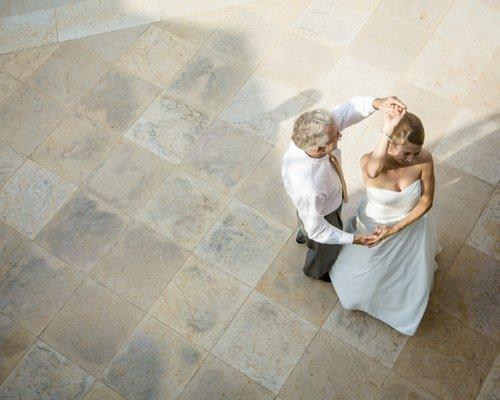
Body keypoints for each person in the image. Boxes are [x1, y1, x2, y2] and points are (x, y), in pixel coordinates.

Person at [329, 104, 439, 335]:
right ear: (390, 143)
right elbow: (372, 171)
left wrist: (395, 229)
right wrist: (387, 129)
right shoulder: (370, 163)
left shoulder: (424, 159)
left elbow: (426, 201)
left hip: (409, 225)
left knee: (411, 283)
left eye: (415, 153)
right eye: (406, 152)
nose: (411, 159)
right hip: (374, 226)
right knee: (353, 293)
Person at [281, 95, 405, 282]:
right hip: (323, 210)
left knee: (305, 217)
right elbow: (318, 229)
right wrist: (354, 239)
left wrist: (379, 104)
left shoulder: (315, 131)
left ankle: (303, 234)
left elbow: (348, 110)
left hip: (315, 203)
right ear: (319, 148)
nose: (340, 134)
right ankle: (316, 270)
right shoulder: (309, 187)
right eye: (335, 136)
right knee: (324, 244)